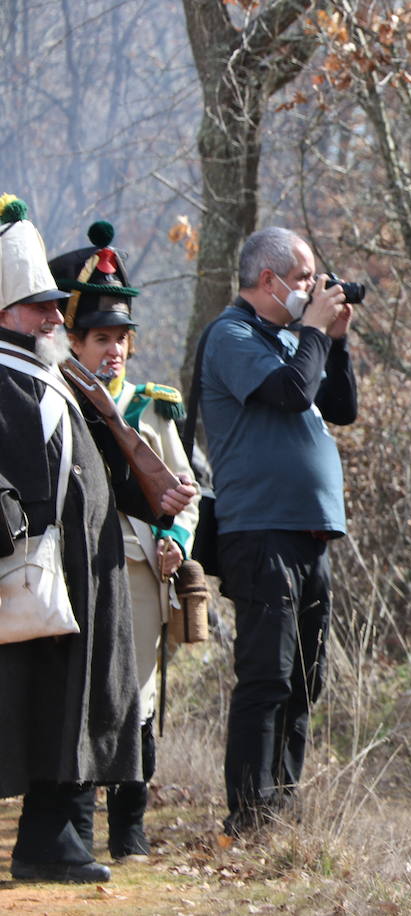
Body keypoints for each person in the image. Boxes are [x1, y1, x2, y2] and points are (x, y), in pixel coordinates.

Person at [0, 195, 196, 883]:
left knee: (66, 709)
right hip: (31, 573)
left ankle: (50, 843)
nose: (58, 318)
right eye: (41, 307)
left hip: (76, 575)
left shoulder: (50, 374)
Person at [50, 220, 201, 861]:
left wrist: (175, 540)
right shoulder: (54, 397)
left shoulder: (153, 406)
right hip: (72, 568)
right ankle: (76, 830)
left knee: (136, 696)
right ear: (74, 341)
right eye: (101, 338)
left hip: (140, 572)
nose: (114, 351)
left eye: (122, 339)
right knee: (82, 692)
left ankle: (130, 828)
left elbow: (184, 490)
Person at [199, 226, 357, 837]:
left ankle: (281, 811)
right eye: (301, 279)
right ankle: (248, 816)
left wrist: (334, 340)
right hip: (259, 531)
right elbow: (292, 393)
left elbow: (339, 408)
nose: (310, 289)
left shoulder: (295, 341)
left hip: (309, 535)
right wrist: (313, 330)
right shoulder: (232, 335)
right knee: (267, 675)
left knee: (305, 678)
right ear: (266, 280)